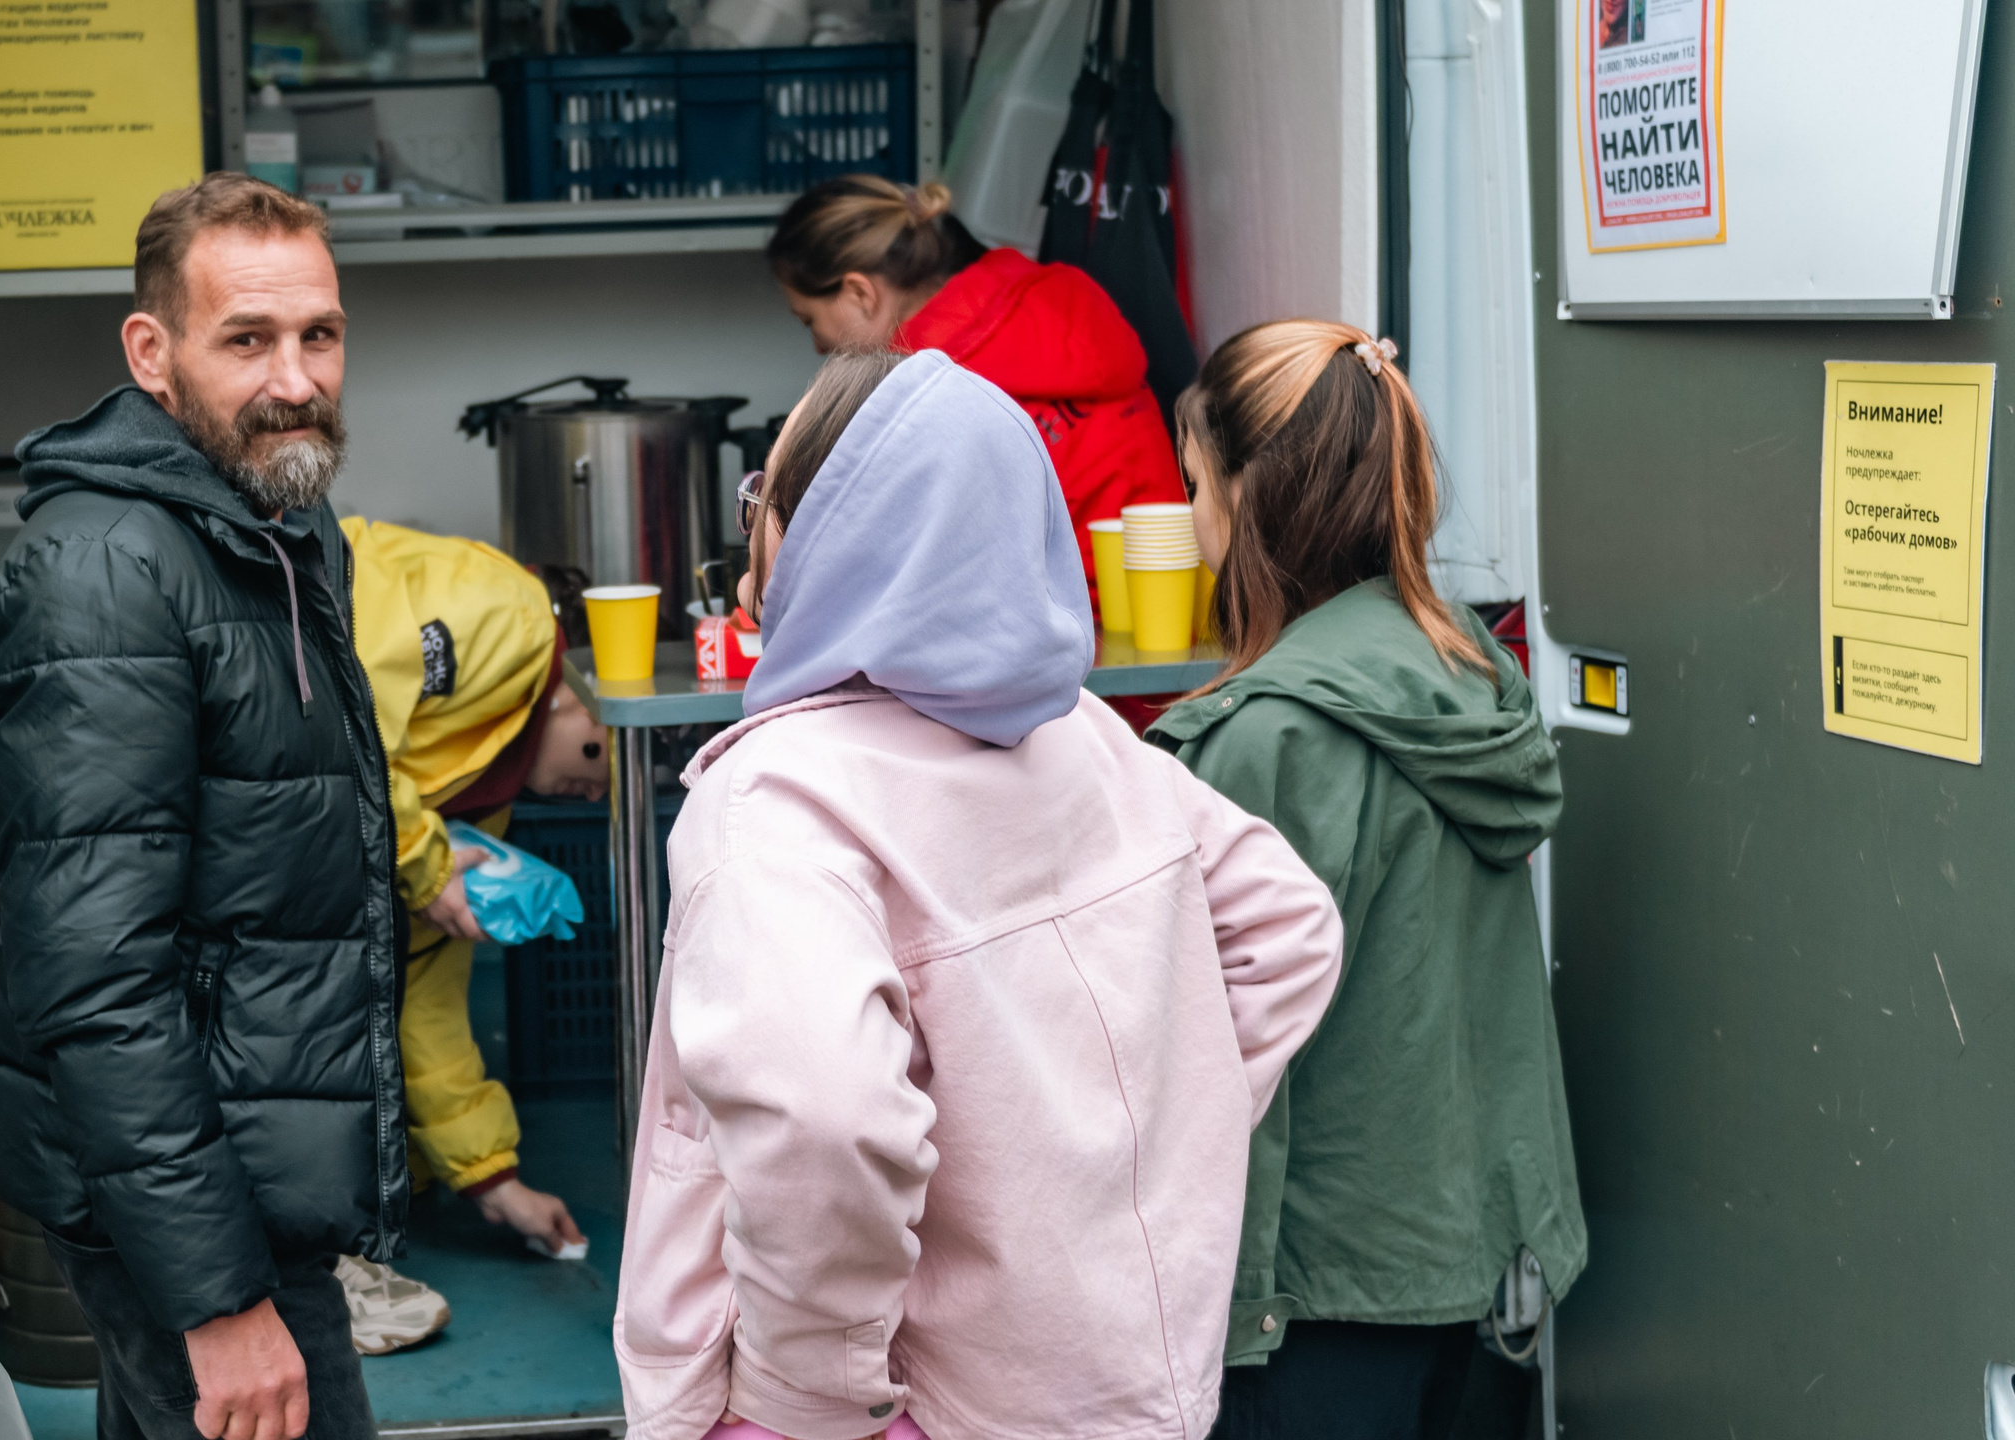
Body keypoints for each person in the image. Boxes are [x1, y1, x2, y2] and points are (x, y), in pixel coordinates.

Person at [612, 348, 1346, 1440]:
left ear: (835, 535)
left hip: (893, 1410)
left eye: (769, 494)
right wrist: (1111, 1157)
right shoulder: (1087, 738)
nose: (754, 519)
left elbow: (824, 1117)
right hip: (1115, 1384)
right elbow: (1289, 931)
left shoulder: (777, 799)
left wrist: (810, 1386)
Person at [0, 173, 400, 1440]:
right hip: (183, 1204)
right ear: (152, 355)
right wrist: (216, 1300)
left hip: (232, 1163)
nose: (296, 380)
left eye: (319, 335)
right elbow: (94, 979)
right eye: (247, 341)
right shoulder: (106, 574)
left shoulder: (271, 524)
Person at [1147, 320, 1584, 1440]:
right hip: (1477, 1275)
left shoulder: (1262, 741)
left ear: (1249, 499)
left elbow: (1205, 1061)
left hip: (1312, 1303)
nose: (1192, 518)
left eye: (1194, 484)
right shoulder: (1468, 677)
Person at [333, 515, 609, 1353]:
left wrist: (494, 1178)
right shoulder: (515, 621)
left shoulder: (476, 809)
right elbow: (356, 698)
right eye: (604, 760)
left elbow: (428, 1000)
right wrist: (422, 859)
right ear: (579, 693)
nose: (595, 792)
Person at [765, 175, 1185, 593]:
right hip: (1172, 602)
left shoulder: (922, 391)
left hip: (1064, 634)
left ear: (861, 293)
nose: (819, 346)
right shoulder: (1054, 301)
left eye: (810, 321)